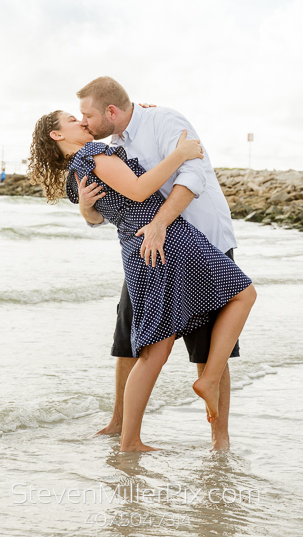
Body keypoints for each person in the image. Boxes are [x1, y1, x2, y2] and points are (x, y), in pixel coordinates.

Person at [28, 107, 256, 452]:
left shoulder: (75, 175)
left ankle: (131, 439)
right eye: (73, 119)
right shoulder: (93, 153)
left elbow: (107, 207)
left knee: (156, 350)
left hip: (140, 248)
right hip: (166, 238)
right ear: (57, 135)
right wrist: (180, 153)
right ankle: (202, 385)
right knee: (244, 295)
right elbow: (137, 190)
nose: (82, 121)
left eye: (84, 114)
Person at [75, 77, 245, 450]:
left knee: (208, 348)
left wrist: (159, 225)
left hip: (202, 243)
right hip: (148, 252)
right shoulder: (110, 148)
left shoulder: (164, 121)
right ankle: (119, 425)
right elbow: (105, 212)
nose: (83, 122)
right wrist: (87, 208)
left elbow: (193, 173)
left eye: (87, 115)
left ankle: (220, 440)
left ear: (112, 111)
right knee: (129, 340)